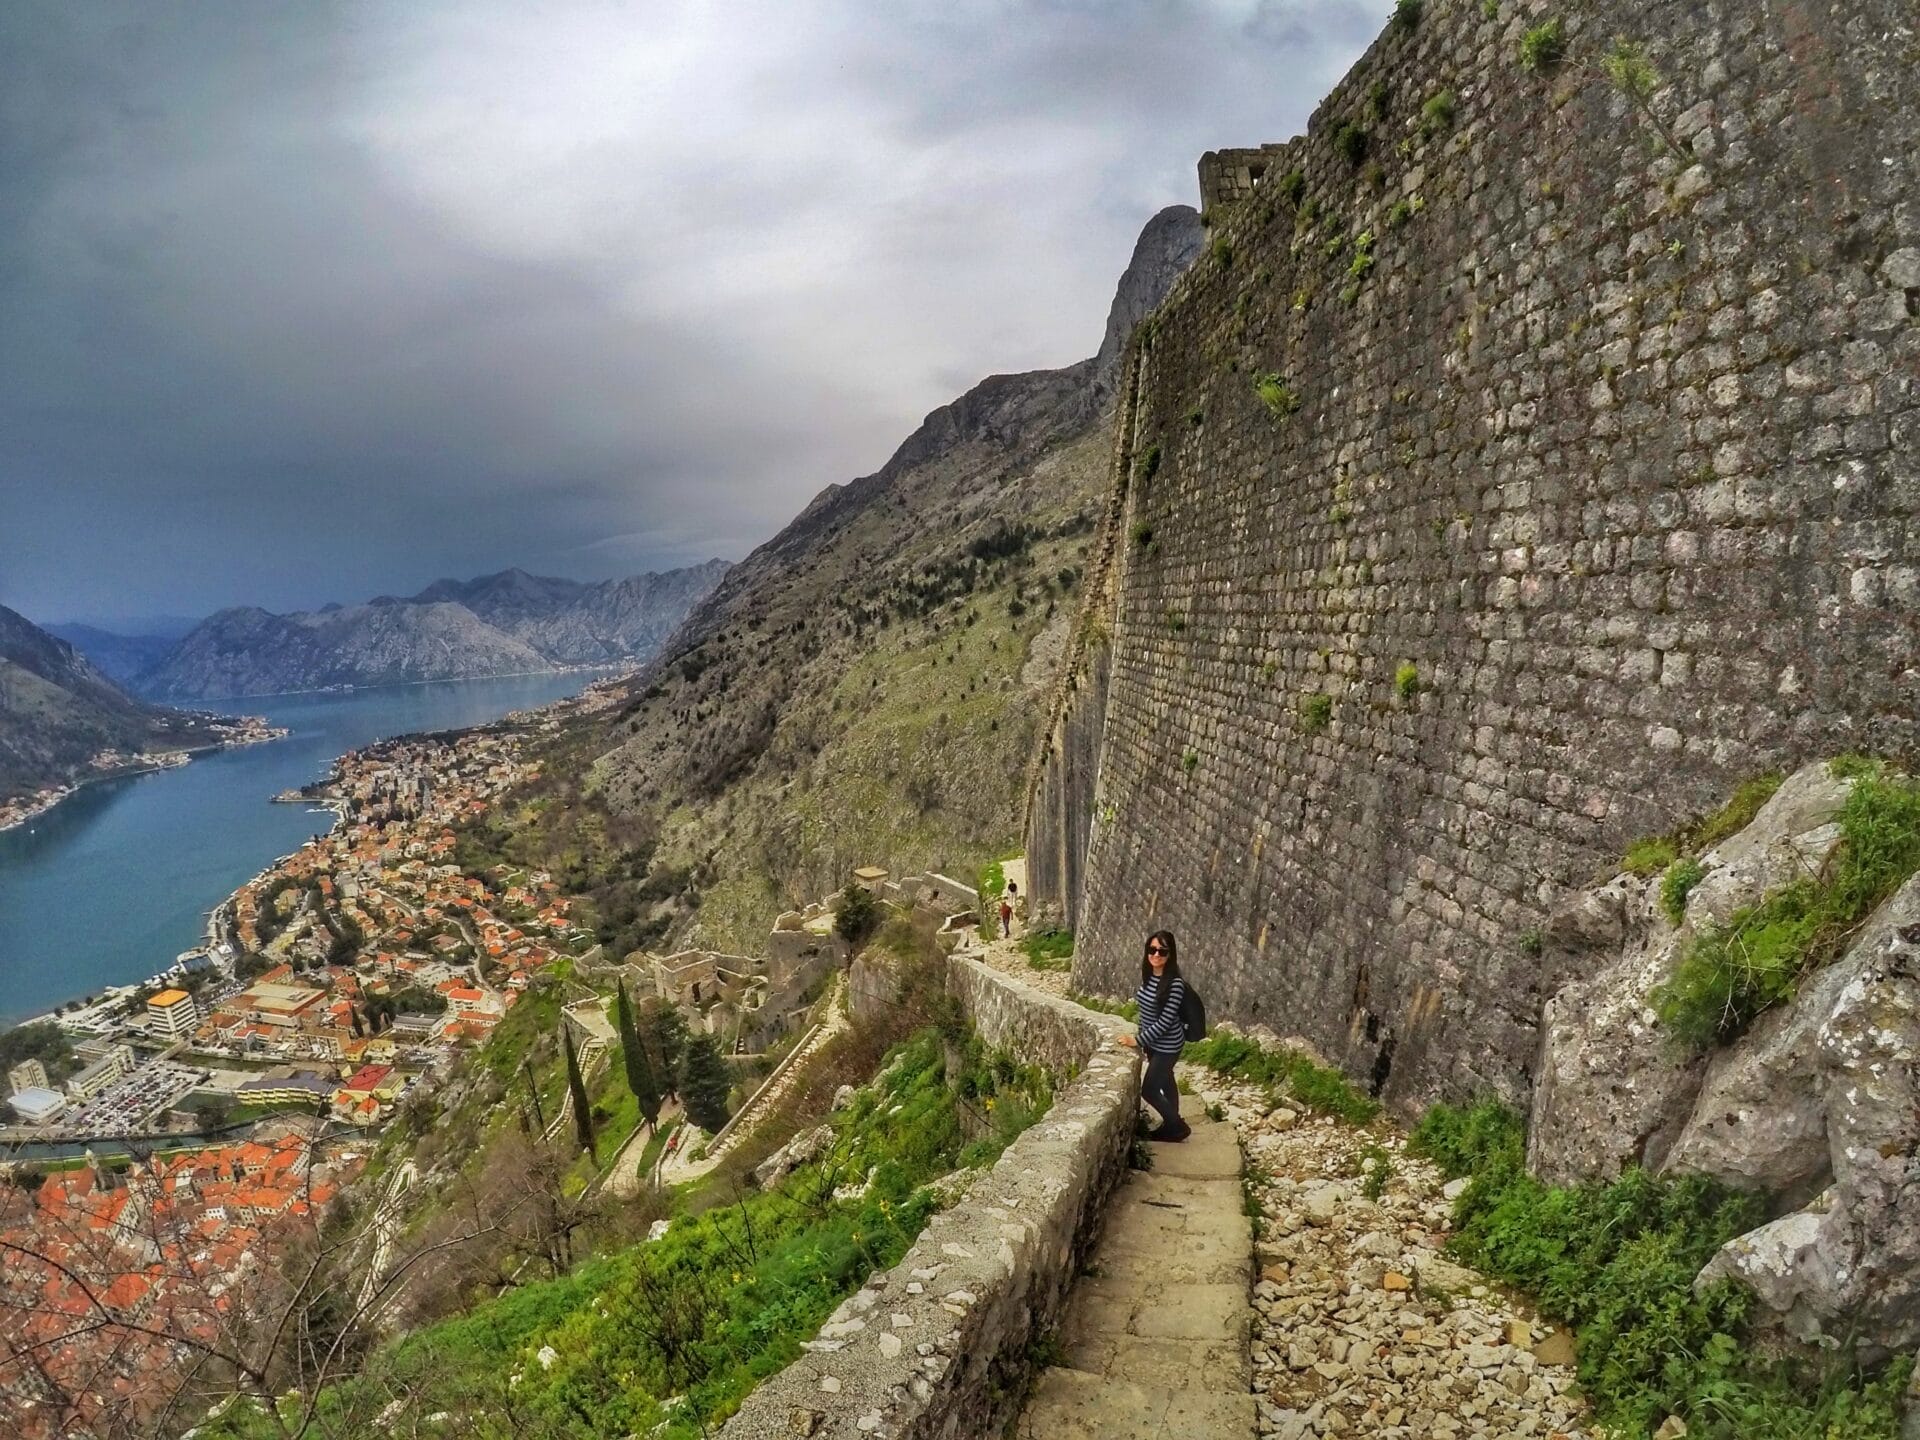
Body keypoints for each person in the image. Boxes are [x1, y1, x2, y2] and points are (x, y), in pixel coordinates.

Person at [1118, 930, 1189, 1141]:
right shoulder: (1149, 977)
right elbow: (1147, 1013)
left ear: (1170, 955)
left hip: (1168, 1046)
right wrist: (1145, 1040)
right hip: (1153, 1043)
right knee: (1167, 1080)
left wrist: (1137, 1040)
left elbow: (1166, 1021)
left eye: (1162, 951)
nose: (1156, 954)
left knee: (1149, 1089)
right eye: (1152, 949)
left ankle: (1177, 1126)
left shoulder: (1175, 984)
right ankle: (1171, 1123)